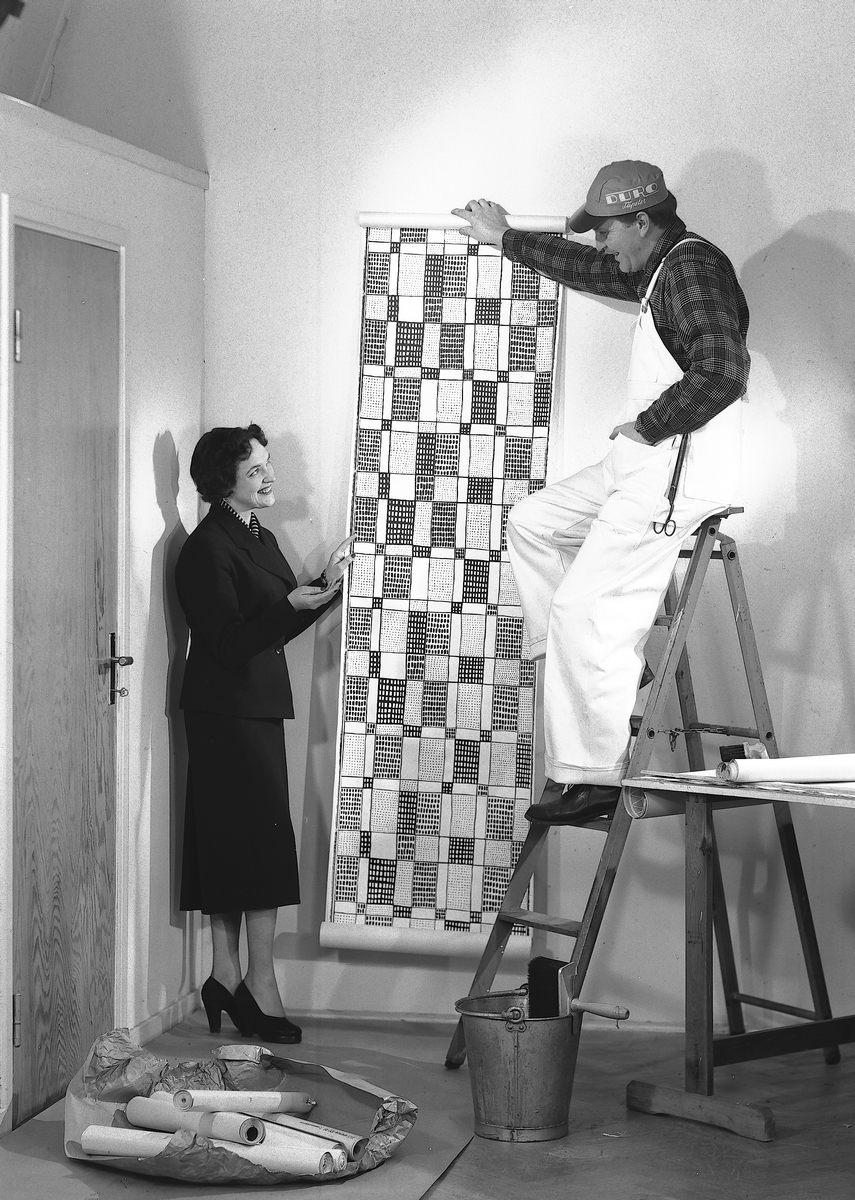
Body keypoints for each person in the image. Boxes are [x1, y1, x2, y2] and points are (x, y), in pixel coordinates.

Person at [452, 161, 749, 825]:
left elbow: (723, 371)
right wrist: (505, 237)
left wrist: (648, 424)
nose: (600, 243)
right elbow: (587, 268)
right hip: (639, 463)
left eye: (607, 230)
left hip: (672, 475)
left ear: (641, 220)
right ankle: (581, 660)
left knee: (584, 610)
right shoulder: (658, 265)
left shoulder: (692, 268)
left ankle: (592, 776)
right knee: (532, 522)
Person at [176, 423, 353, 1042]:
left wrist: (326, 590)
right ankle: (254, 982)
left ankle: (229, 978)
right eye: (255, 470)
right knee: (245, 846)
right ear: (223, 482)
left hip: (253, 708)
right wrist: (290, 606)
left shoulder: (257, 534)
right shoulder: (206, 548)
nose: (270, 476)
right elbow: (228, 643)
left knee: (249, 845)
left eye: (267, 463)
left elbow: (273, 628)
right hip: (225, 714)